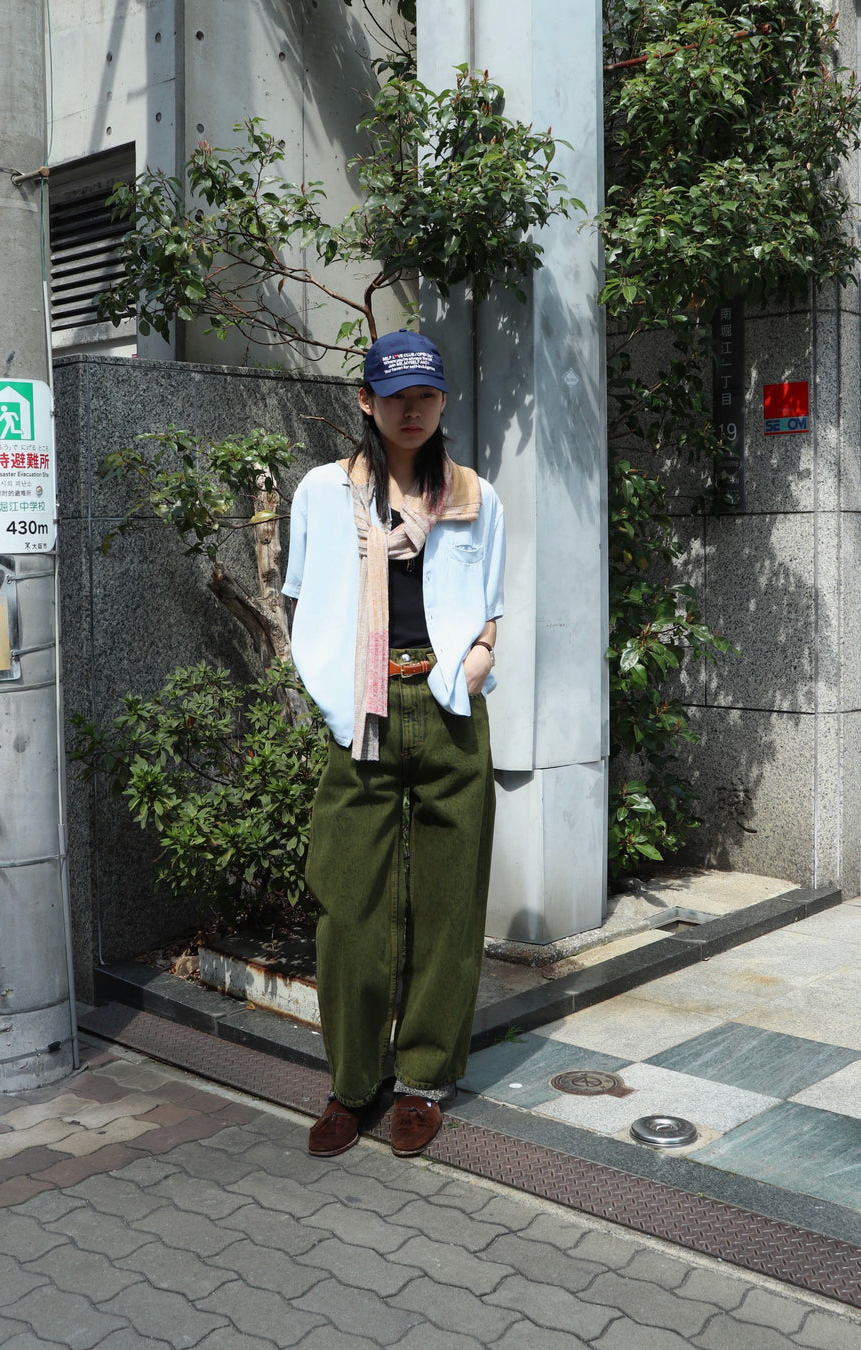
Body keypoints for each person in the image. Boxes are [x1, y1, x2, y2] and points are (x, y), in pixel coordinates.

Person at [283, 328, 505, 1159]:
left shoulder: (476, 496)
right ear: (365, 402)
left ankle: (423, 1081)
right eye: (395, 395)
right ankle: (352, 1083)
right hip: (363, 711)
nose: (412, 410)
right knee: (349, 905)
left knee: (450, 906)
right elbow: (303, 599)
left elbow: (490, 607)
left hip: (447, 708)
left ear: (443, 401)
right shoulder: (324, 493)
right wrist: (333, 694)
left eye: (426, 395)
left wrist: (479, 662)